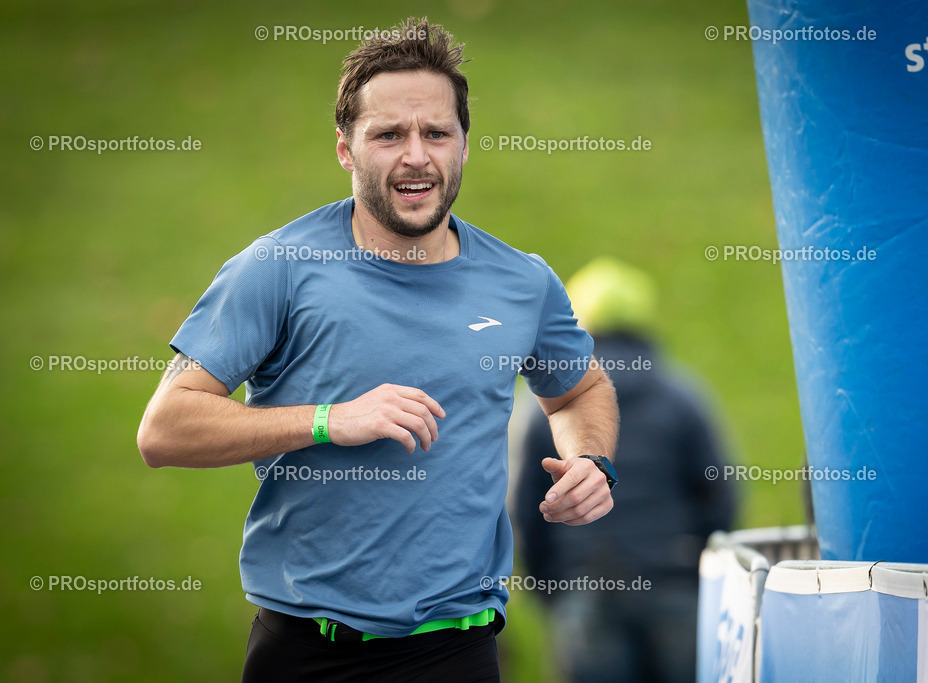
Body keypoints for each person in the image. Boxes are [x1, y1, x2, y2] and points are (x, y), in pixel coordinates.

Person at [136, 18, 619, 683]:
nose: (415, 156)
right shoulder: (277, 267)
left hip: (459, 649)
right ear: (345, 149)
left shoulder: (522, 281)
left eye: (436, 133)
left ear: (464, 145)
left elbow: (579, 390)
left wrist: (591, 459)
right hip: (309, 652)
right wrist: (329, 420)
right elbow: (164, 429)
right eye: (389, 134)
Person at [513, 257, 736, 683]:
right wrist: (697, 566)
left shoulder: (546, 410)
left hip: (585, 588)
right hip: (674, 585)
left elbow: (525, 511)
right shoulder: (682, 397)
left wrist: (550, 590)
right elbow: (718, 495)